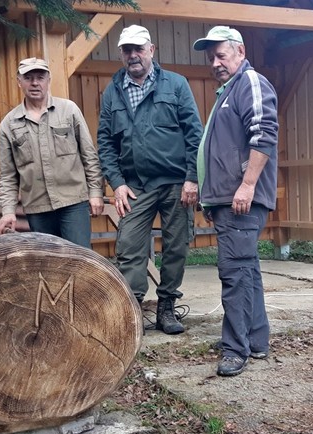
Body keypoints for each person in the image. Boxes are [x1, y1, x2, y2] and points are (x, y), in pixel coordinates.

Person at [97, 25, 203, 334]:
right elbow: (105, 141)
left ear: (151, 50)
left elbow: (194, 134)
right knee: (129, 247)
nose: (133, 55)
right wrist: (116, 183)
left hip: (175, 182)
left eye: (138, 49)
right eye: (127, 50)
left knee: (177, 246)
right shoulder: (113, 90)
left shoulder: (176, 85)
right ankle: (132, 312)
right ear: (121, 54)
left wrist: (192, 179)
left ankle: (167, 307)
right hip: (135, 186)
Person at [192, 26, 279, 376]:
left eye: (221, 55)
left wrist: (246, 186)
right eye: (211, 57)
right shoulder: (227, 91)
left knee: (235, 273)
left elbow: (265, 133)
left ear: (240, 52)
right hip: (228, 200)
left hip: (241, 198)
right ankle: (254, 340)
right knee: (247, 270)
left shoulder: (251, 83)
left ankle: (235, 349)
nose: (215, 62)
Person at [0, 57, 104, 248]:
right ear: (19, 81)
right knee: (48, 264)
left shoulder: (69, 111)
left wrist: (96, 192)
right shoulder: (9, 124)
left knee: (80, 260)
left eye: (40, 77)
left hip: (73, 203)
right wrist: (8, 211)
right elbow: (7, 175)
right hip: (37, 208)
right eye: (28, 78)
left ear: (48, 79)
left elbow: (89, 155)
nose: (35, 83)